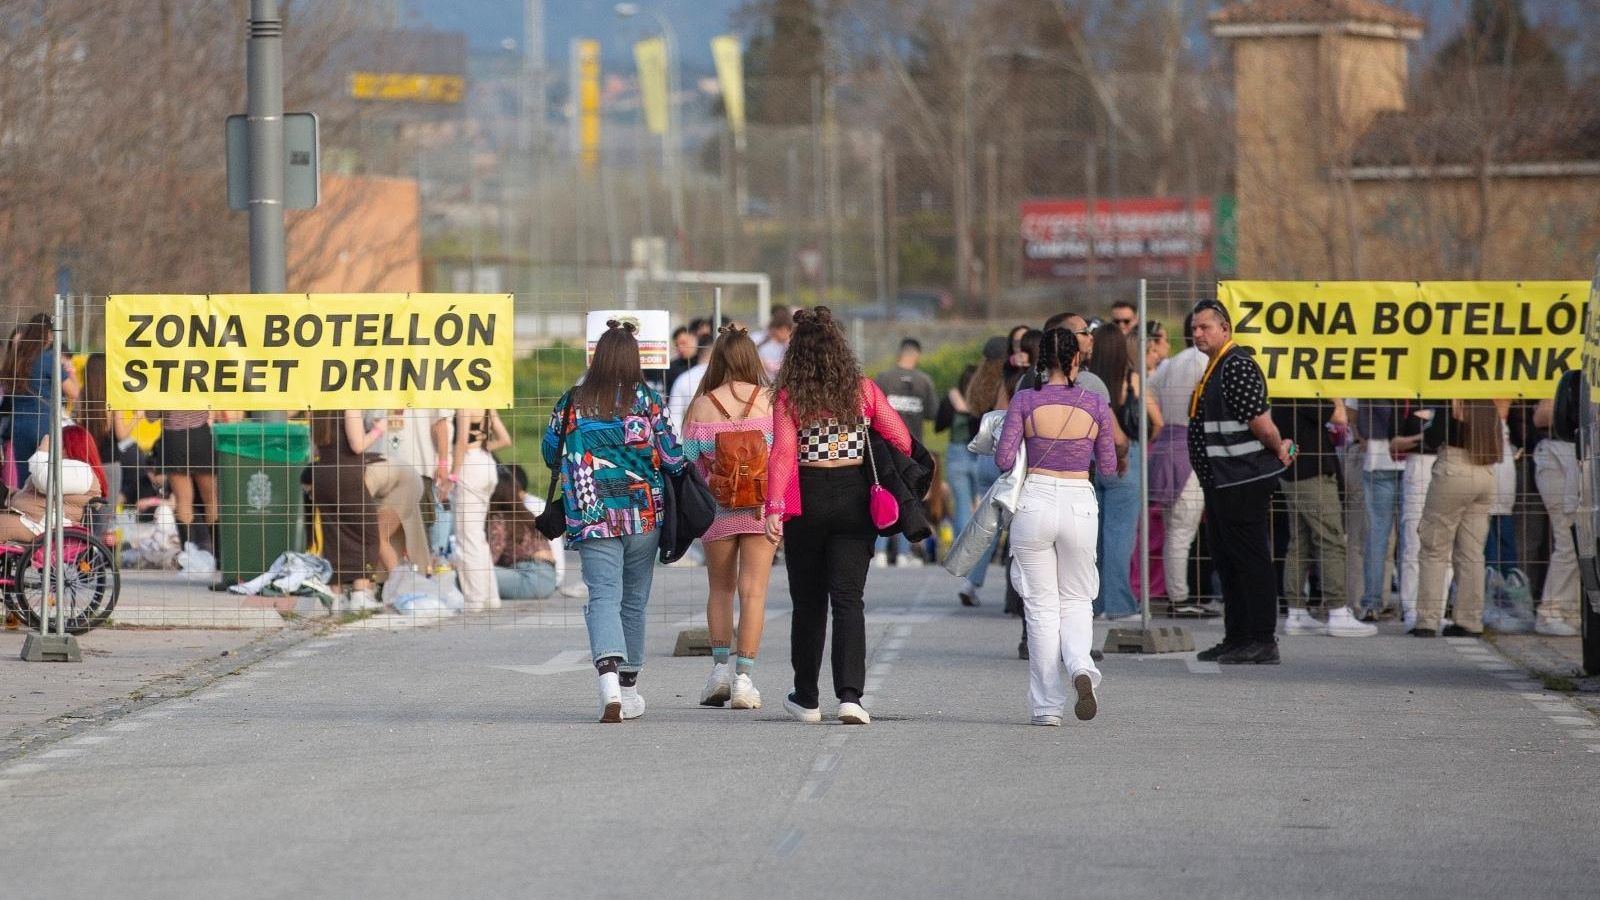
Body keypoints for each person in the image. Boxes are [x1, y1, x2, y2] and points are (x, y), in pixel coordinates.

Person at [765, 306, 911, 726]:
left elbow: (783, 455)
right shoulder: (862, 390)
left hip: (807, 501)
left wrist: (774, 508)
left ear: (797, 353)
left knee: (807, 602)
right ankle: (850, 697)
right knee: (848, 599)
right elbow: (901, 438)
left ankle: (807, 698)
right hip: (854, 499)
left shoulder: (790, 396)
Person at [544, 320, 686, 723]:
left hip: (592, 513)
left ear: (598, 357)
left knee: (603, 596)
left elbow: (550, 451)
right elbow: (673, 458)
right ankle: (629, 689)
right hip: (644, 513)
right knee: (634, 601)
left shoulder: (572, 401)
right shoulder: (649, 401)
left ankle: (607, 682)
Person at [996, 327, 1115, 725]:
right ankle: (1081, 666)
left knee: (1041, 607)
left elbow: (1003, 459)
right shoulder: (1095, 403)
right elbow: (1109, 466)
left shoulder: (1025, 400)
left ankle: (1047, 707)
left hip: (1036, 500)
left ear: (1041, 360)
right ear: (1077, 358)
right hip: (1079, 501)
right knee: (1078, 599)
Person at [1188, 300, 1294, 665]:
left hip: (1242, 478)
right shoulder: (1217, 367)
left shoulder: (1236, 365)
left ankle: (1262, 639)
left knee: (1250, 560)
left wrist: (1278, 447)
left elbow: (1260, 422)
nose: (1197, 333)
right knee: (1228, 560)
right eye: (1194, 328)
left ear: (1225, 329)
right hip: (1222, 480)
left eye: (1205, 327)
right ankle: (1237, 637)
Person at [681, 325, 777, 709]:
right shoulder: (770, 401)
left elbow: (689, 460)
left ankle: (719, 671)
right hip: (760, 509)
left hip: (716, 509)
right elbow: (783, 455)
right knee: (753, 592)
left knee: (720, 590)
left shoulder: (701, 406)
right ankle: (744, 679)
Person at [1273, 398, 1375, 637]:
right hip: (1312, 473)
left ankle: (1296, 612)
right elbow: (1340, 417)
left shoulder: (1284, 392)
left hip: (1294, 471)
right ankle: (1338, 611)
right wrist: (1335, 394)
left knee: (1299, 543)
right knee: (1331, 540)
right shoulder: (1303, 392)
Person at [1413, 400, 1505, 637]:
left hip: (1454, 469)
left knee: (1434, 548)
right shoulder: (1487, 404)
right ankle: (1469, 620)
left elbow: (1433, 438)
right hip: (1485, 471)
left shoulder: (1453, 401)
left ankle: (1427, 620)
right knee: (1472, 553)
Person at [1147, 313, 1211, 616]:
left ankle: (1179, 594)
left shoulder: (1170, 364)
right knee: (1182, 529)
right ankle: (1180, 597)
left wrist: (1159, 422)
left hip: (1166, 447)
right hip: (1190, 447)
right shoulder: (1204, 362)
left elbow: (1147, 389)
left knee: (1175, 528)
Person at [1086, 326, 1149, 621]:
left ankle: (1095, 603)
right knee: (1121, 536)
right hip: (1124, 455)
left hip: (1091, 456)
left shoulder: (1087, 381)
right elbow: (1146, 421)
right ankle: (1120, 604)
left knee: (1095, 538)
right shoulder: (1131, 378)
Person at [954, 337, 1012, 606]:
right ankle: (1015, 592)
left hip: (982, 459)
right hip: (1002, 457)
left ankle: (970, 582)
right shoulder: (1007, 383)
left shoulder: (977, 385)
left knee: (987, 526)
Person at [308, 410, 385, 609]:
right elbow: (357, 445)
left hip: (323, 475)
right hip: (347, 475)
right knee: (367, 534)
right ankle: (361, 594)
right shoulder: (348, 405)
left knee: (334, 536)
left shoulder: (317, 407)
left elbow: (314, 449)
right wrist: (378, 430)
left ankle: (336, 597)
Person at [874, 338, 938, 566]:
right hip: (912, 448)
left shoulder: (884, 378)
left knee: (883, 495)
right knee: (909, 498)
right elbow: (932, 413)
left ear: (900, 353)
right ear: (916, 355)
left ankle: (880, 552)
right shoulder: (924, 381)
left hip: (886, 447)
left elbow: (872, 409)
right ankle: (903, 553)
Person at [1389, 401, 1447, 631]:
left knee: (1444, 543)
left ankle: (1437, 609)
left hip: (1446, 462)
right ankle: (1412, 609)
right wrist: (1425, 437)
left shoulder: (1451, 399)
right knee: (1413, 540)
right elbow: (1394, 442)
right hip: (1418, 465)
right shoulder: (1406, 400)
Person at [0, 425, 108, 542]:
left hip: (42, 525)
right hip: (34, 519)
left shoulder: (82, 471)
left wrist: (43, 451)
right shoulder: (72, 469)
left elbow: (46, 482)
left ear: (67, 447)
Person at [450, 407, 511, 612]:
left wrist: (453, 475)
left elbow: (461, 442)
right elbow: (505, 439)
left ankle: (474, 599)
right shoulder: (486, 403)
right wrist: (482, 447)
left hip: (469, 465)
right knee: (477, 535)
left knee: (467, 536)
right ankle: (490, 596)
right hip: (486, 461)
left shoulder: (464, 403)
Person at [1531, 392, 1580, 636]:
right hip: (1560, 455)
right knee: (1568, 538)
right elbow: (1541, 417)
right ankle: (1551, 612)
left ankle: (1572, 612)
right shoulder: (1564, 379)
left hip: (1581, 456)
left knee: (1581, 542)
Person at [1355, 400, 1405, 620]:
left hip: (1377, 457)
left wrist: (1361, 436)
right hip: (1413, 458)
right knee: (1410, 536)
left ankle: (1371, 603)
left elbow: (1354, 415)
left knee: (1377, 534)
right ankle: (1410, 604)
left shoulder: (1369, 380)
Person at [363, 410, 429, 569]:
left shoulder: (357, 480)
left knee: (377, 536)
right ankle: (397, 578)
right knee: (388, 539)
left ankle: (400, 581)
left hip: (406, 480)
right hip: (399, 475)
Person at [147, 410, 219, 556]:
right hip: (200, 435)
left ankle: (188, 556)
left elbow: (151, 416)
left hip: (174, 438)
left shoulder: (162, 392)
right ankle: (218, 555)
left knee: (183, 501)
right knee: (211, 499)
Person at [488, 466, 559, 600]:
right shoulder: (526, 515)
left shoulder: (499, 519)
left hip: (528, 577)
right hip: (549, 579)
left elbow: (490, 558)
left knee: (471, 574)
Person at [668, 335, 711, 438]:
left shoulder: (683, 379)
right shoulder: (726, 379)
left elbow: (674, 418)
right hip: (723, 442)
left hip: (691, 441)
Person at [757, 307, 793, 379]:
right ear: (775, 330)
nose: (787, 334)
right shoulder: (764, 346)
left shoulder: (789, 346)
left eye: (789, 331)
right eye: (783, 331)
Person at [665, 326, 698, 395]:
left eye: (683, 343)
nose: (680, 348)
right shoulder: (672, 368)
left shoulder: (704, 363)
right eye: (677, 345)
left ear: (694, 339)